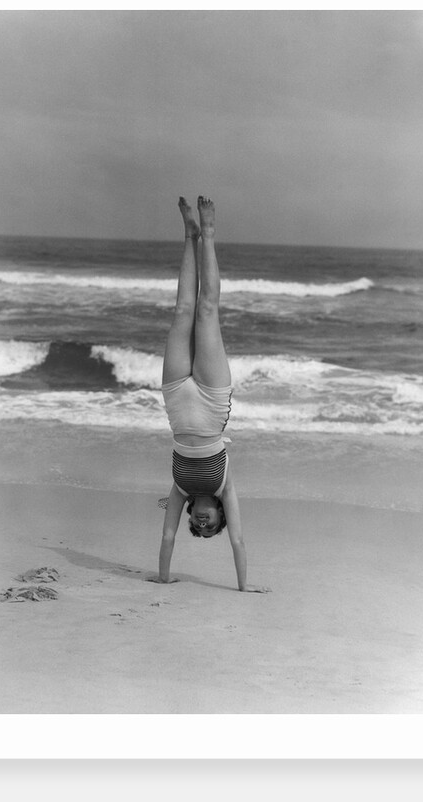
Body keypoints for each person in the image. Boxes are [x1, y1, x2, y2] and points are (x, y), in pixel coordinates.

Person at [146, 196, 270, 593]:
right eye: (211, 526)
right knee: (206, 311)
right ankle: (210, 233)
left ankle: (189, 234)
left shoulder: (179, 491)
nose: (203, 525)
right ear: (219, 515)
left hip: (176, 398)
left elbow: (167, 536)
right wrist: (244, 587)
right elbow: (239, 541)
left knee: (182, 310)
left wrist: (163, 578)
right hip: (213, 401)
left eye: (198, 528)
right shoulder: (224, 487)